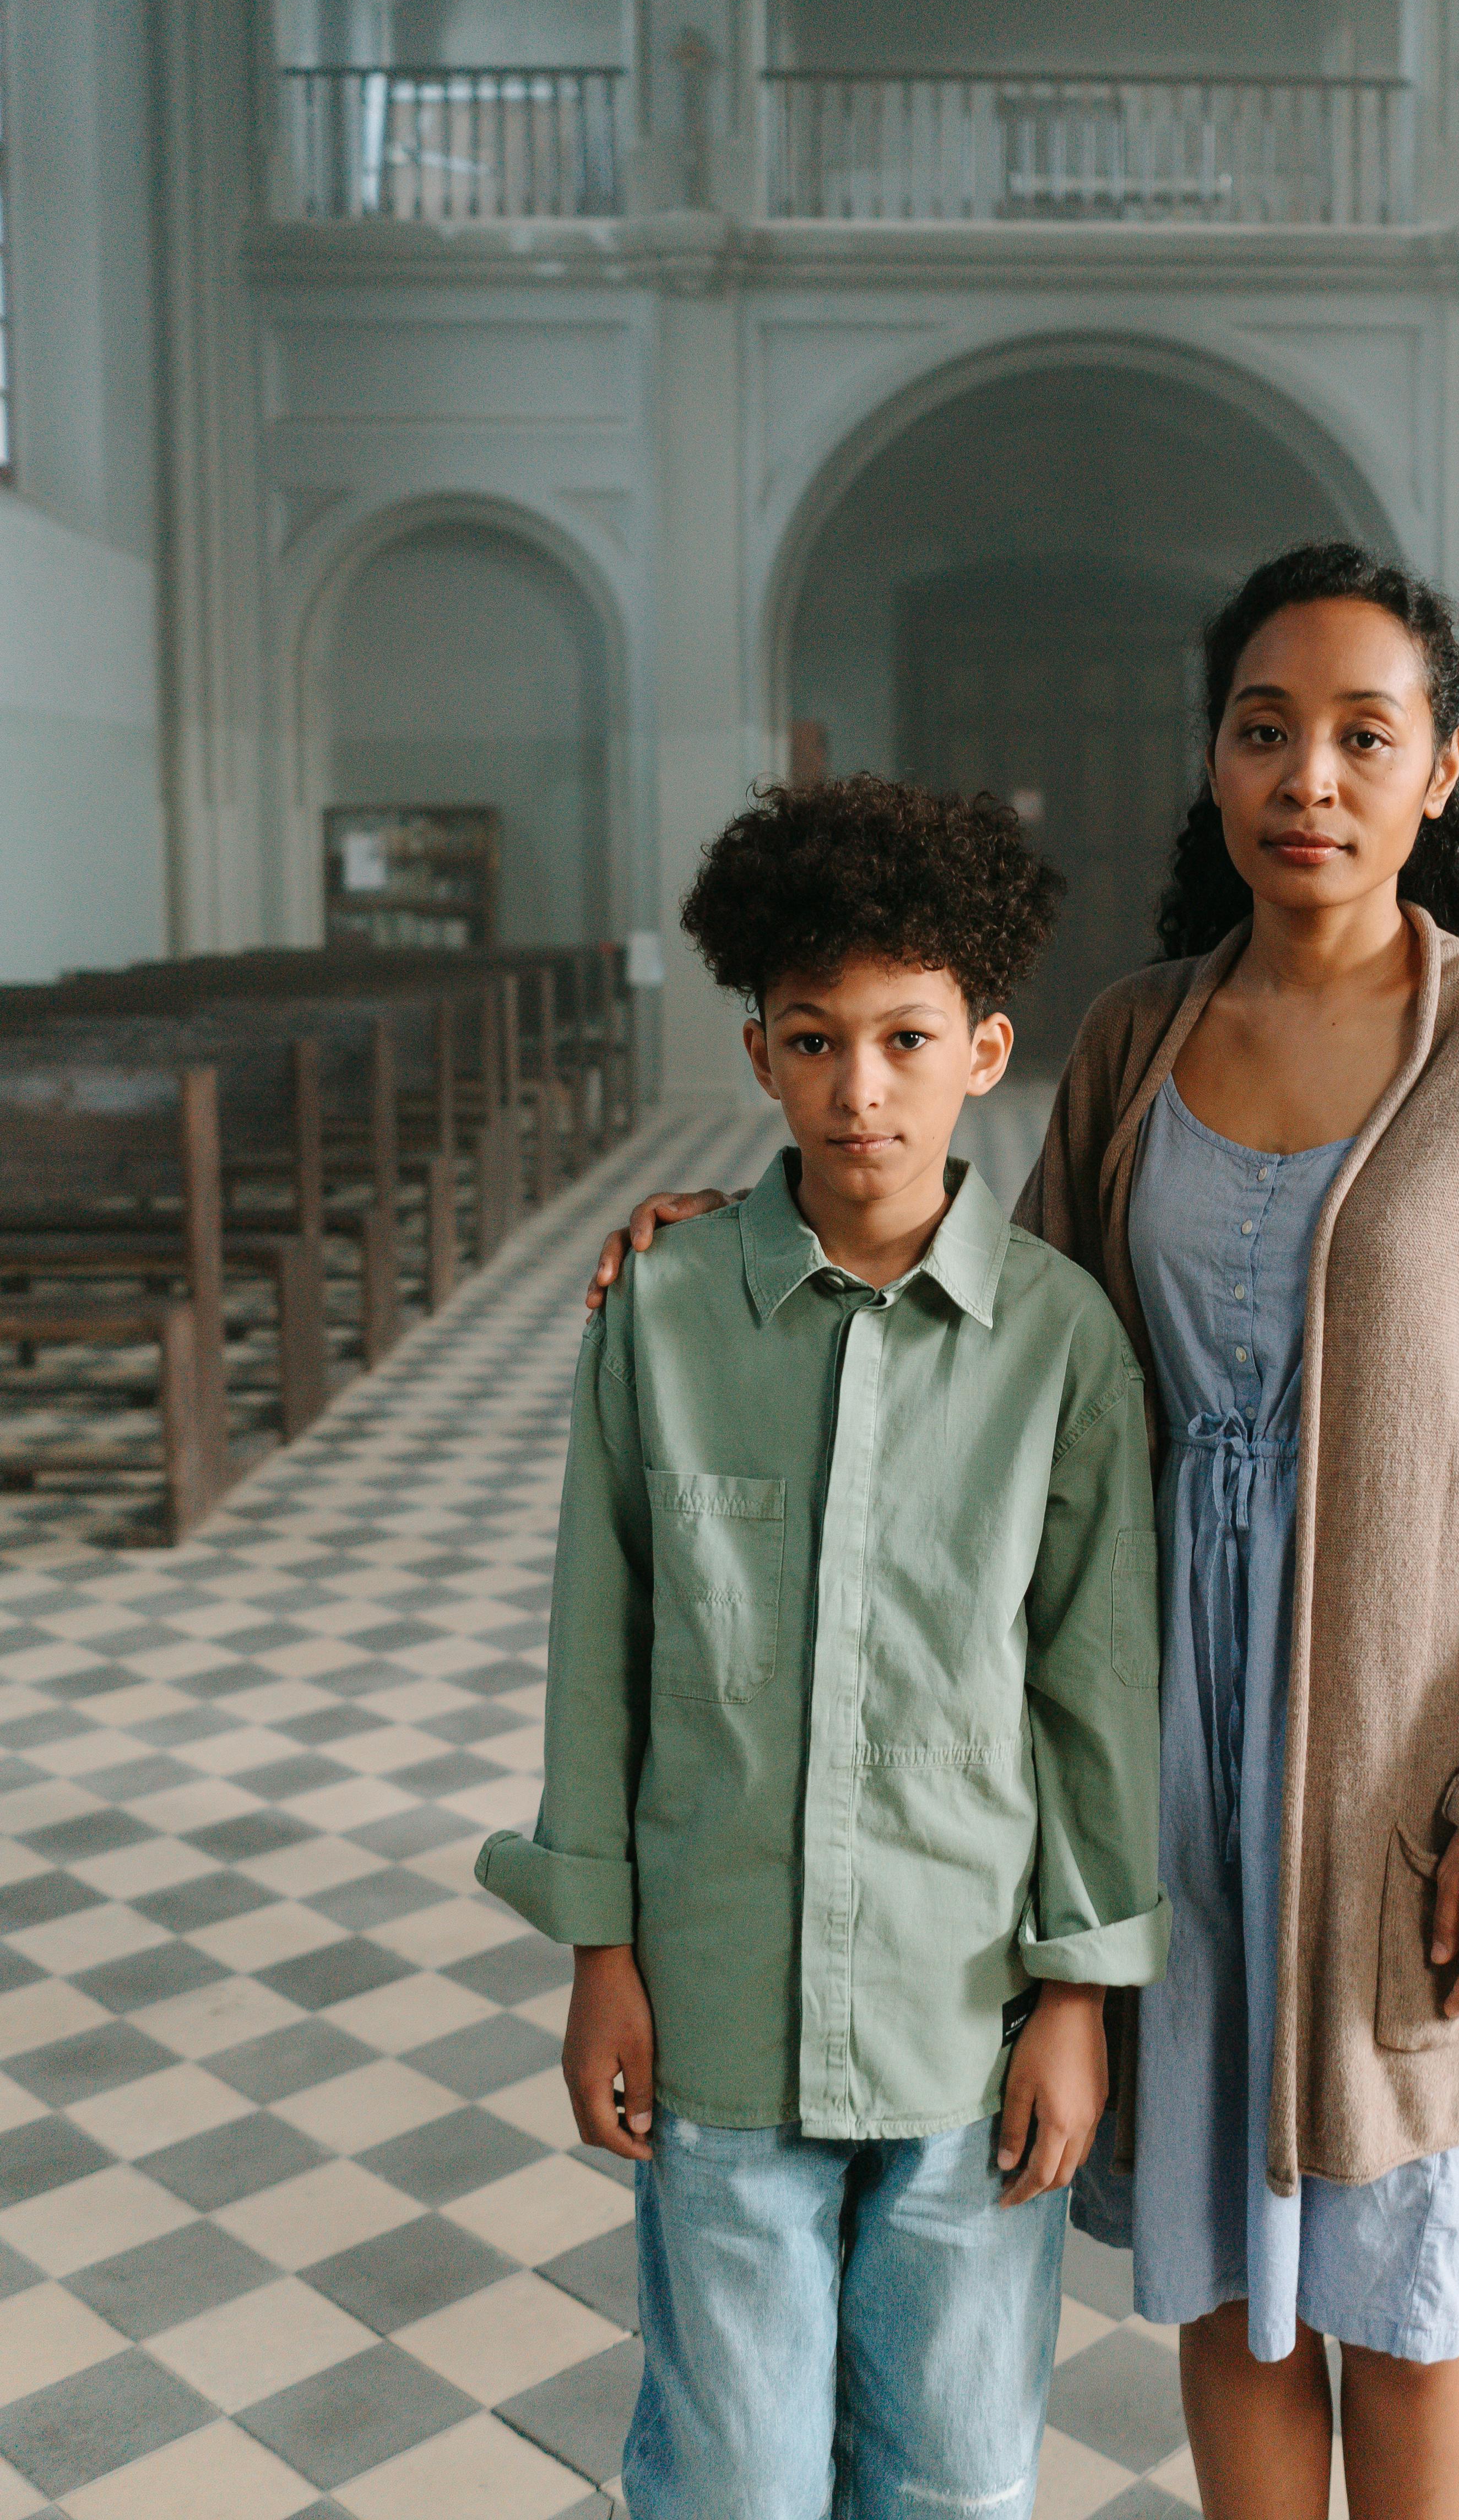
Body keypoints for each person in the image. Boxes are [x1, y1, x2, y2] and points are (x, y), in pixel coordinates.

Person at [593, 544, 1459, 2520]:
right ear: (1216, 763)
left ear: (1440, 770)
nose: (1306, 777)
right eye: (1264, 731)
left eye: (1360, 734)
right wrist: (731, 1237)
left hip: (1405, 1763)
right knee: (1231, 2278)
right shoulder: (1143, 1038)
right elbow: (990, 1321)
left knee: (1411, 2277)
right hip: (1164, 1746)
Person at [484, 774, 1168, 2520]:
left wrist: (1078, 1996)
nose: (860, 1088)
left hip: (966, 2019)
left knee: (951, 2474)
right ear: (759, 1053)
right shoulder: (659, 1314)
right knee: (728, 2477)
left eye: (904, 1037)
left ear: (984, 1049)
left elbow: (1090, 1696)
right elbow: (599, 1650)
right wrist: (600, 1952)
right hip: (716, 2013)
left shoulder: (1060, 1348)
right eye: (814, 1040)